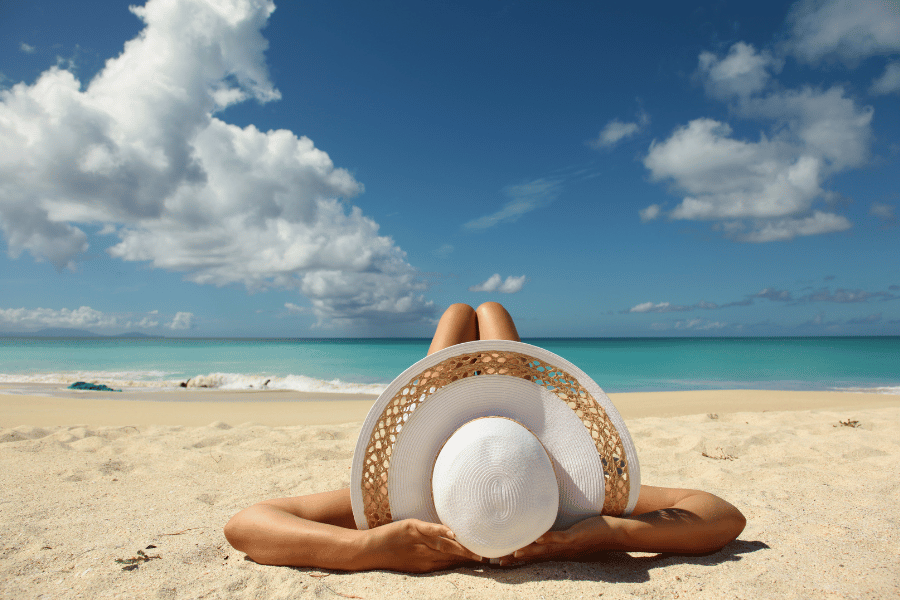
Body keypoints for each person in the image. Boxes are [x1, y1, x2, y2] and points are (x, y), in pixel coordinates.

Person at [224, 302, 746, 573]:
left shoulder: (417, 512)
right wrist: (614, 532)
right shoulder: (571, 507)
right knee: (489, 316)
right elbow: (721, 515)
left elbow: (247, 525)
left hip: (462, 451)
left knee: (458, 318)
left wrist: (368, 549)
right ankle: (486, 345)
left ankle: (462, 335)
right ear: (553, 458)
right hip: (517, 457)